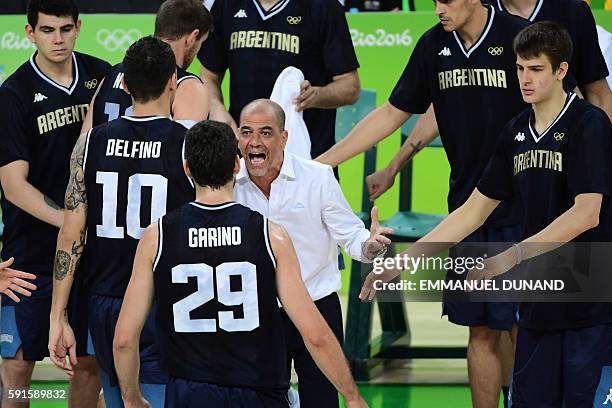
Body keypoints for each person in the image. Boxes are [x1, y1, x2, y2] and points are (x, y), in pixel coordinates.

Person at [361, 21, 612, 408]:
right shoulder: (515, 133)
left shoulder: (590, 125)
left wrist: (511, 256)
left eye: (536, 69)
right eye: (519, 68)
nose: (524, 79)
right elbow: (473, 212)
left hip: (590, 302)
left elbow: (586, 213)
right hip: (538, 303)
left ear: (562, 71)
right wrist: (402, 264)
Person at [317, 1, 529, 406]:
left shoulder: (517, 37)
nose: (438, 9)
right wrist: (323, 163)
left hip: (528, 207)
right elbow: (392, 114)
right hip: (469, 209)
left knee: (524, 327)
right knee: (481, 331)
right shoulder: (433, 46)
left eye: (446, 1)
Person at [113, 120, 368, 408]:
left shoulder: (157, 237)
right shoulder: (271, 235)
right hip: (258, 393)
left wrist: (132, 398)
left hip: (190, 393)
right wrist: (352, 395)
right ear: (237, 166)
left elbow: (124, 339)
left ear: (187, 169)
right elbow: (315, 335)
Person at [48, 37, 194, 408]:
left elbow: (70, 233)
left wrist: (58, 315)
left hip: (105, 302)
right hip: (166, 302)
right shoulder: (188, 145)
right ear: (173, 81)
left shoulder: (91, 142)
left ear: (124, 85)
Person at [234, 99, 390, 407]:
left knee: (321, 399)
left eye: (265, 133)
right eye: (246, 132)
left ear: (283, 137)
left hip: (317, 305)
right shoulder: (229, 185)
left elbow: (351, 234)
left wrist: (369, 247)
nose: (254, 142)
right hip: (258, 312)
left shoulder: (317, 177)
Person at [0, 0, 110, 406]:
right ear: (30, 33)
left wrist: (79, 228)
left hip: (89, 252)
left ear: (78, 27)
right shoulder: (13, 94)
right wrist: (70, 220)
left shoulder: (102, 76)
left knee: (87, 363)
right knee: (16, 370)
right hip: (28, 254)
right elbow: (14, 186)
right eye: (47, 30)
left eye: (65, 29)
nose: (58, 39)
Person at [199, 0, 360, 161]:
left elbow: (350, 87)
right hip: (246, 158)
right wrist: (216, 108)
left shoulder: (324, 7)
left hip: (308, 158)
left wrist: (316, 95)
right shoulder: (226, 6)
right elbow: (208, 76)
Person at [80, 0, 213, 133]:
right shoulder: (188, 86)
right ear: (192, 37)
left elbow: (83, 144)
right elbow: (183, 151)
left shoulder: (111, 74)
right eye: (200, 43)